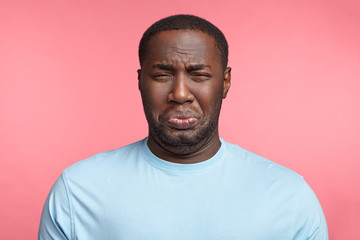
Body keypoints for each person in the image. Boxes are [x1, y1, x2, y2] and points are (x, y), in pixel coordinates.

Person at [38, 14, 328, 240]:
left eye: (198, 75)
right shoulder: (78, 190)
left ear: (224, 83)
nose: (179, 93)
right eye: (162, 74)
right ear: (140, 82)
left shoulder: (288, 196)